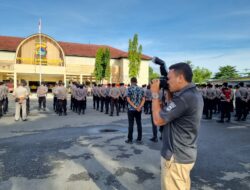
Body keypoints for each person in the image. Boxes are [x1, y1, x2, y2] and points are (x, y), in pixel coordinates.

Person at [151, 62, 203, 190]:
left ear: (180, 78)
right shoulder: (192, 93)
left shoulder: (184, 98)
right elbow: (171, 108)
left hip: (176, 158)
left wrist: (154, 94)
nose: (166, 82)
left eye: (169, 78)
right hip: (185, 154)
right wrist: (169, 91)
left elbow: (158, 120)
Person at [125, 77, 145, 144]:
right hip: (139, 109)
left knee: (131, 124)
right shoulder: (141, 89)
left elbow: (128, 99)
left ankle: (130, 139)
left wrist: (135, 107)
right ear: (136, 81)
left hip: (131, 109)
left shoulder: (129, 89)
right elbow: (143, 99)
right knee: (139, 123)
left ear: (131, 82)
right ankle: (139, 139)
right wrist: (139, 107)